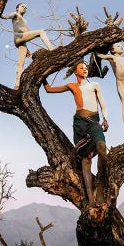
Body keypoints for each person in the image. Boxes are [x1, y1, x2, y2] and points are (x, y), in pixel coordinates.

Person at [43, 63, 109, 205]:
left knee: (102, 146)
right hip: (79, 124)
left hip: (94, 121)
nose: (85, 69)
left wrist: (105, 118)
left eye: (86, 68)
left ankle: (101, 186)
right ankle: (91, 199)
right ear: (75, 72)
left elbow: (102, 103)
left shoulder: (95, 85)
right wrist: (43, 76)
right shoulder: (72, 86)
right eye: (81, 68)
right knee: (86, 160)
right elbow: (48, 90)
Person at [2, 3, 55, 89]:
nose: (24, 8)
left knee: (21, 63)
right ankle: (52, 50)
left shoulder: (24, 20)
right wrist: (0, 15)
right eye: (22, 6)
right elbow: (7, 16)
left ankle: (17, 84)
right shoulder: (15, 14)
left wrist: (27, 49)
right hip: (19, 37)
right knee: (41, 32)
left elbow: (27, 34)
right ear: (17, 8)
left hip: (22, 41)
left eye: (26, 7)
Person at [97, 39, 124, 139]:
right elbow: (100, 55)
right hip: (120, 82)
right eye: (119, 46)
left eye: (121, 46)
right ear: (113, 50)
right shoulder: (111, 57)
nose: (121, 47)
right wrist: (95, 49)